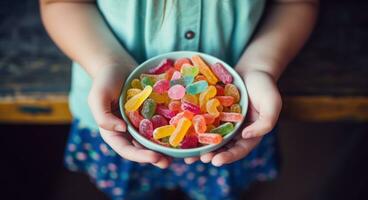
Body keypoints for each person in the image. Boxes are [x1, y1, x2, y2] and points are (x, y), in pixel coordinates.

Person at [40, 0, 318, 199]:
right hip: (116, 117)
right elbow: (58, 3)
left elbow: (298, 4)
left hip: (237, 126)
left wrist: (261, 66)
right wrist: (106, 63)